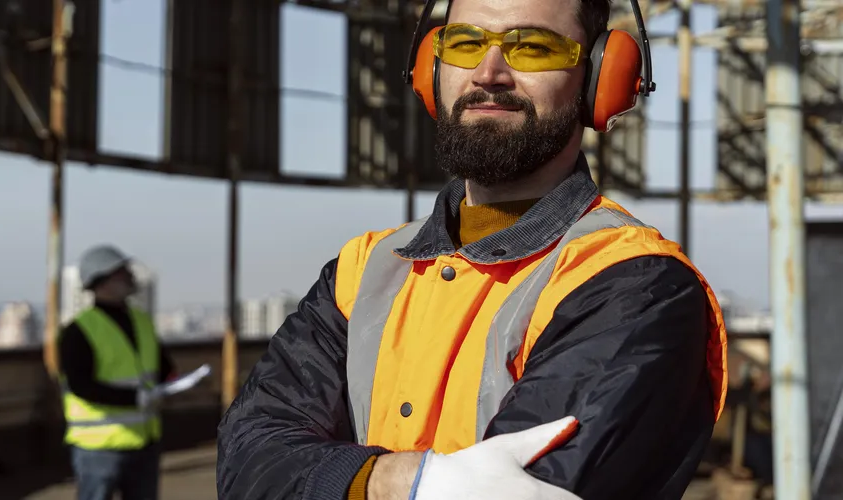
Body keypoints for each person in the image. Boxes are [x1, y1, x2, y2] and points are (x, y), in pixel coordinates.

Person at [216, 0, 729, 499]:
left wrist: (335, 480)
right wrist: (392, 481)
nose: (488, 72)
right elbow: (248, 458)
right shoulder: (363, 270)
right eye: (462, 43)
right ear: (428, 69)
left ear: (601, 77)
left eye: (531, 47)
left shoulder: (635, 285)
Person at [58, 245, 176, 500]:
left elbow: (163, 366)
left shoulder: (141, 321)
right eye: (121, 272)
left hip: (144, 441)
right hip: (99, 448)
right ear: (100, 281)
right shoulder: (78, 331)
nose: (130, 276)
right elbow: (80, 386)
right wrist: (135, 398)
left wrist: (173, 382)